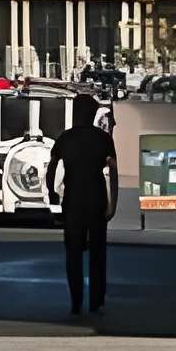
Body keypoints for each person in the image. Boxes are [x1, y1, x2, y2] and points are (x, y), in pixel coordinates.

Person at [56, 93, 118, 316]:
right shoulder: (103, 139)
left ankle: (76, 300)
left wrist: (53, 197)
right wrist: (114, 204)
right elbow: (113, 171)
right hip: (97, 200)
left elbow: (53, 169)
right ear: (93, 114)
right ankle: (96, 298)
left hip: (73, 201)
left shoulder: (65, 138)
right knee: (98, 252)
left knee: (73, 252)